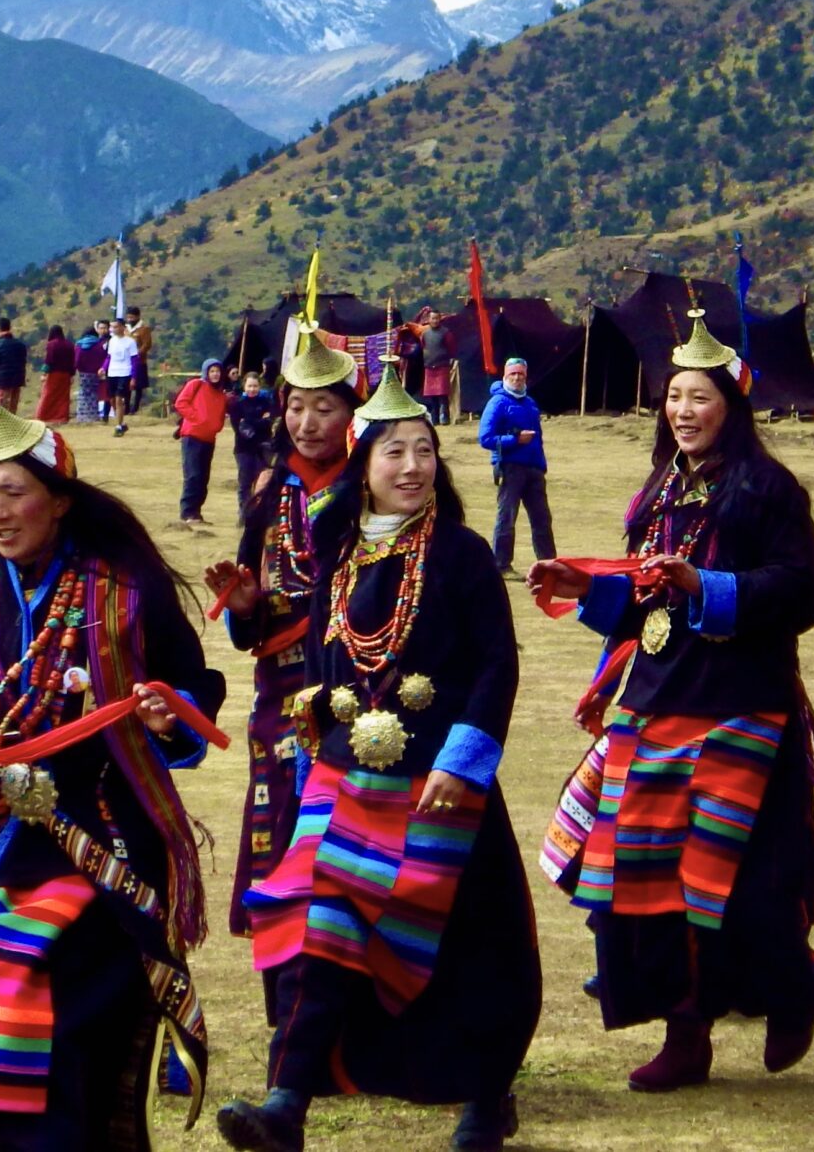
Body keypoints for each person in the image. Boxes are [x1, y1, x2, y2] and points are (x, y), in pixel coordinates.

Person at [0, 395, 226, 1149]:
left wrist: (168, 717)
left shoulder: (124, 594)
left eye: (15, 493)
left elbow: (197, 690)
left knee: (71, 1043)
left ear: (59, 502)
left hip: (106, 849)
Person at [221, 370, 536, 1152]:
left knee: (471, 945)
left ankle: (484, 1096)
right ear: (365, 464)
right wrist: (319, 735)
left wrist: (462, 763)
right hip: (347, 776)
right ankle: (287, 1100)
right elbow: (329, 665)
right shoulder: (340, 553)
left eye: (424, 450)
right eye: (394, 450)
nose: (412, 466)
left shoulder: (461, 555)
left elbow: (497, 665)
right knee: (321, 926)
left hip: (440, 784)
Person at [529, 310, 814, 1093]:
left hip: (742, 708)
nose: (684, 411)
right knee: (645, 882)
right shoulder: (661, 491)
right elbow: (645, 603)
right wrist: (588, 591)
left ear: (732, 405)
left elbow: (804, 594)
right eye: (674, 397)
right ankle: (685, 1034)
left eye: (699, 397)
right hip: (657, 700)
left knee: (741, 889)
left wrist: (711, 587)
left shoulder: (768, 489)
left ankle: (792, 988)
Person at [203, 334, 360, 992]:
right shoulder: (271, 492)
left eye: (323, 408)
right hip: (281, 692)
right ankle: (284, 1000)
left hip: (356, 689)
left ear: (350, 414)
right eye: (297, 407)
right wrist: (244, 605)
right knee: (280, 831)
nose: (307, 422)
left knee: (352, 834)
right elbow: (252, 623)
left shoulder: (369, 489)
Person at [477, 357, 555, 574]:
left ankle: (549, 564)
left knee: (542, 518)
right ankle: (501, 565)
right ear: (505, 376)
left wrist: (541, 465)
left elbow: (538, 439)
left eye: (521, 374)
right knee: (507, 517)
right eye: (513, 374)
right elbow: (485, 438)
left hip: (534, 469)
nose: (517, 377)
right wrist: (515, 440)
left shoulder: (530, 403)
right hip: (510, 467)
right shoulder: (497, 403)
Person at [172, 359, 229, 523]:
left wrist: (216, 426)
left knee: (204, 477)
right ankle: (187, 512)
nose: (215, 374)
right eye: (212, 371)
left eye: (218, 371)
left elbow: (220, 415)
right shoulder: (196, 384)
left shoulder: (220, 394)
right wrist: (197, 419)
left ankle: (196, 512)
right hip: (192, 437)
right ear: (206, 372)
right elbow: (181, 403)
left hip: (209, 439)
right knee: (193, 475)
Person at [228, 368, 279, 518]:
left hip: (263, 449)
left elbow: (268, 423)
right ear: (244, 386)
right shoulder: (237, 404)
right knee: (245, 482)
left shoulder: (266, 402)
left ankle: (260, 513)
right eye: (249, 386)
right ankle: (244, 513)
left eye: (255, 386)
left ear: (260, 386)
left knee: (262, 482)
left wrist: (251, 422)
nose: (252, 389)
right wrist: (259, 421)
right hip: (243, 449)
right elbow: (239, 427)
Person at [415, 305, 456, 426]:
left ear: (440, 319)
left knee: (443, 395)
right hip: (429, 367)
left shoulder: (446, 333)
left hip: (442, 366)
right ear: (429, 319)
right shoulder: (425, 334)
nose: (435, 321)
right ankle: (434, 419)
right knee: (432, 396)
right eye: (433, 318)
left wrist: (449, 360)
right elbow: (424, 347)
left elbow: (451, 348)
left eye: (437, 318)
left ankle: (445, 419)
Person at [0, 317, 29, 413]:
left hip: (3, 382)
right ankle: (11, 427)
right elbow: (24, 361)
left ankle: (2, 427)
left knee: (1, 409)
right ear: (9, 327)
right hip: (17, 380)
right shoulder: (20, 345)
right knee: (12, 409)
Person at [104, 318, 140, 435]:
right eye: (112, 327)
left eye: (116, 327)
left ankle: (118, 425)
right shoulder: (112, 341)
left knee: (119, 399)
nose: (113, 329)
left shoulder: (130, 342)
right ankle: (121, 422)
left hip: (124, 372)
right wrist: (103, 368)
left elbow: (135, 360)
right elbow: (109, 357)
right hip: (112, 372)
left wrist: (134, 377)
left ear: (123, 327)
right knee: (112, 400)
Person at [35, 325, 75, 424]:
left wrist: (44, 372)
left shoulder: (51, 344)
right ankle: (62, 417)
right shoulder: (70, 345)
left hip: (54, 373)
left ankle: (43, 415)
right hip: (66, 374)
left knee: (48, 394)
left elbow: (49, 360)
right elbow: (73, 361)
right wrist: (72, 374)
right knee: (63, 396)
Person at [73, 321, 108, 424]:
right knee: (94, 394)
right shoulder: (99, 344)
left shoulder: (79, 345)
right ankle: (93, 416)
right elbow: (103, 357)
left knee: (83, 393)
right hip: (95, 373)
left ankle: (82, 417)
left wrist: (78, 369)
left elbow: (77, 360)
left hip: (83, 373)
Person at [126, 307, 155, 410]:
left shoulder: (144, 329)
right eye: (128, 317)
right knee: (126, 385)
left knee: (138, 386)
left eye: (132, 317)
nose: (130, 319)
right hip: (126, 362)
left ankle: (135, 407)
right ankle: (126, 407)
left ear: (138, 317)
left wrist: (137, 353)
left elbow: (147, 344)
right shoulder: (125, 329)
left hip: (139, 361)